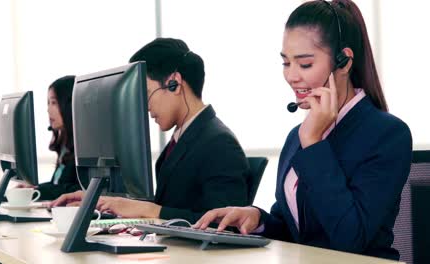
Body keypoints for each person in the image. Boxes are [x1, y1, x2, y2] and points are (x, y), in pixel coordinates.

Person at [194, 0, 412, 260]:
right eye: (286, 63)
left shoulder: (387, 135)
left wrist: (313, 142)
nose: (292, 77)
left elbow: (350, 238)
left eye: (305, 64)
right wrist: (257, 219)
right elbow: (295, 227)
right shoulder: (299, 135)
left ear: (343, 62)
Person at [50, 38, 250, 223]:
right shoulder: (183, 139)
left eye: (145, 94)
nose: (144, 107)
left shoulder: (219, 143)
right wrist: (100, 199)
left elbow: (224, 224)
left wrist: (151, 210)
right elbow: (174, 206)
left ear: (174, 83)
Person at [20, 75, 87, 200]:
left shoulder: (85, 146)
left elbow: (79, 190)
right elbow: (58, 186)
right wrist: (33, 189)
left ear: (70, 104)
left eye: (54, 103)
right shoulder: (65, 144)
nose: (48, 109)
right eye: (48, 103)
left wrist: (38, 191)